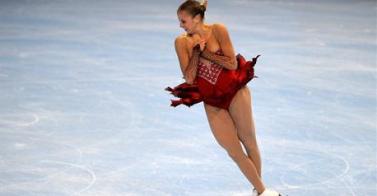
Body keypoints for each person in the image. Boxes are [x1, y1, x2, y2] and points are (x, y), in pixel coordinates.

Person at [165, 1, 282, 196]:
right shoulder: (181, 42)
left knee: (249, 141)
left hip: (236, 93)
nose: (180, 25)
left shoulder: (218, 30)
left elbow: (232, 64)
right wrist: (195, 53)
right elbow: (189, 78)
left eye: (183, 21)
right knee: (233, 150)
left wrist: (206, 54)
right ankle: (263, 191)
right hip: (213, 102)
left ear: (196, 18)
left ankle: (260, 191)